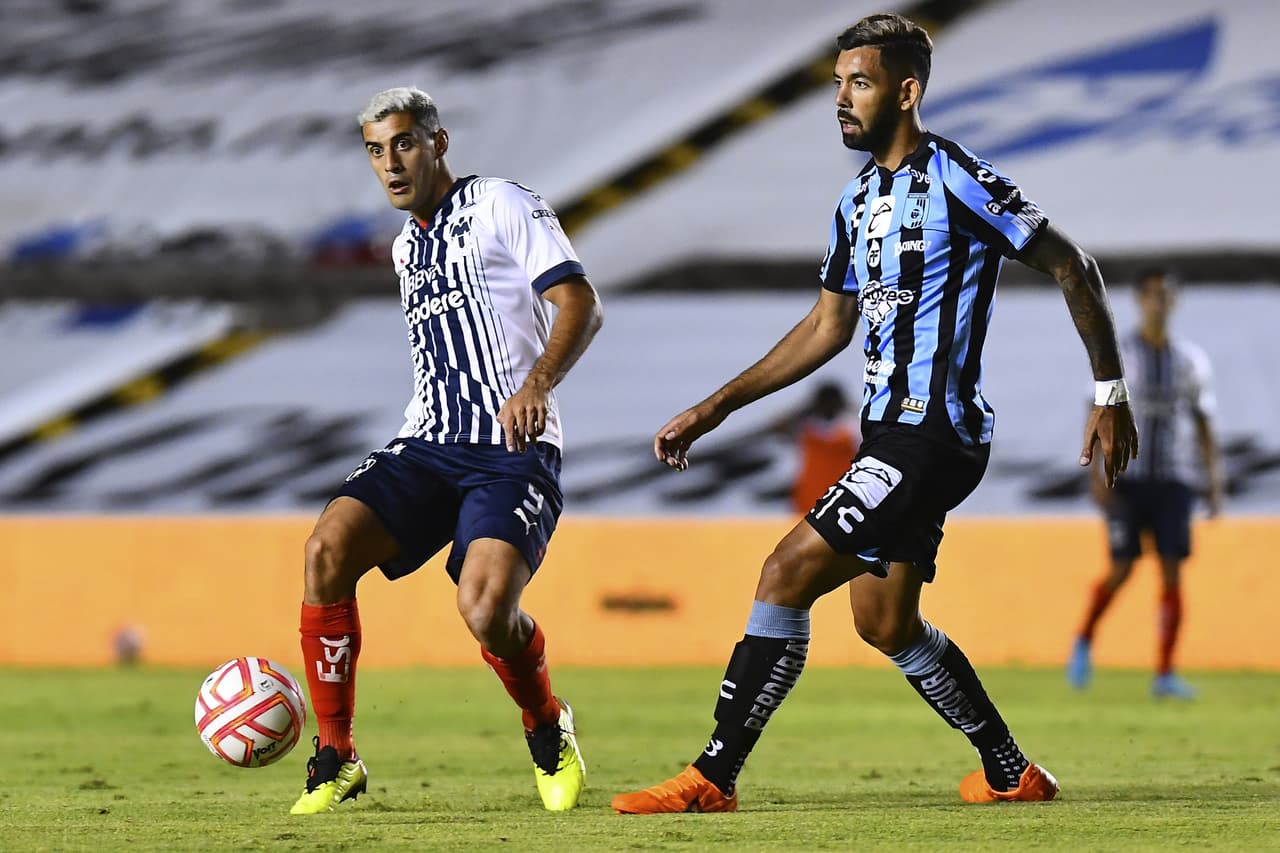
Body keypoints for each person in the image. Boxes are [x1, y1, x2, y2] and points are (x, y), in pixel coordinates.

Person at [611, 13, 1138, 814]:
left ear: (907, 89)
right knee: (884, 620)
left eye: (859, 83)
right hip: (891, 434)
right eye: (837, 85)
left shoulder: (957, 177)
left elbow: (1073, 263)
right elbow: (828, 325)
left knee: (784, 571)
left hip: (937, 433)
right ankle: (1010, 769)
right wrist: (715, 405)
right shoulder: (856, 202)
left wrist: (1108, 389)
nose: (842, 100)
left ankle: (712, 776)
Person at [290, 87, 602, 814]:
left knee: (486, 608)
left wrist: (536, 384)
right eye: (375, 149)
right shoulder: (406, 247)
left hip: (511, 448)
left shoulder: (501, 203)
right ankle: (336, 754)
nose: (390, 163)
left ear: (438, 142)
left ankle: (547, 723)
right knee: (325, 550)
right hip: (429, 440)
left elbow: (580, 302)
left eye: (402, 143)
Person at [1068, 268, 1223, 699]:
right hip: (1127, 479)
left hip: (1173, 479)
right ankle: (1083, 640)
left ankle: (1165, 673)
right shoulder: (1121, 358)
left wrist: (1213, 480)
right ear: (1140, 300)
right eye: (1152, 294)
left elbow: (1203, 422)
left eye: (1166, 295)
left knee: (1173, 572)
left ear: (1173, 303)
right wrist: (1097, 473)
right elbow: (1097, 412)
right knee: (1122, 568)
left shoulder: (1189, 360)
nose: (1159, 302)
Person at [790, 381, 861, 514]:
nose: (828, 406)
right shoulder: (805, 425)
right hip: (808, 497)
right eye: (824, 402)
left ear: (839, 403)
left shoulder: (853, 427)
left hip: (842, 498)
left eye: (831, 402)